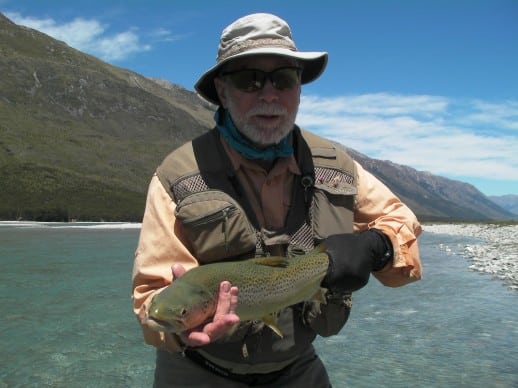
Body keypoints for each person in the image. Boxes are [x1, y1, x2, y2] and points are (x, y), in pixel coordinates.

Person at [132, 13, 422, 388]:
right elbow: (152, 299)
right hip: (197, 370)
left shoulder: (337, 166)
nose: (269, 94)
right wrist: (180, 330)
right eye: (249, 79)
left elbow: (402, 224)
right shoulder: (176, 176)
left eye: (283, 78)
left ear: (299, 88)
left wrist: (377, 246)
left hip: (297, 369)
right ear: (222, 90)